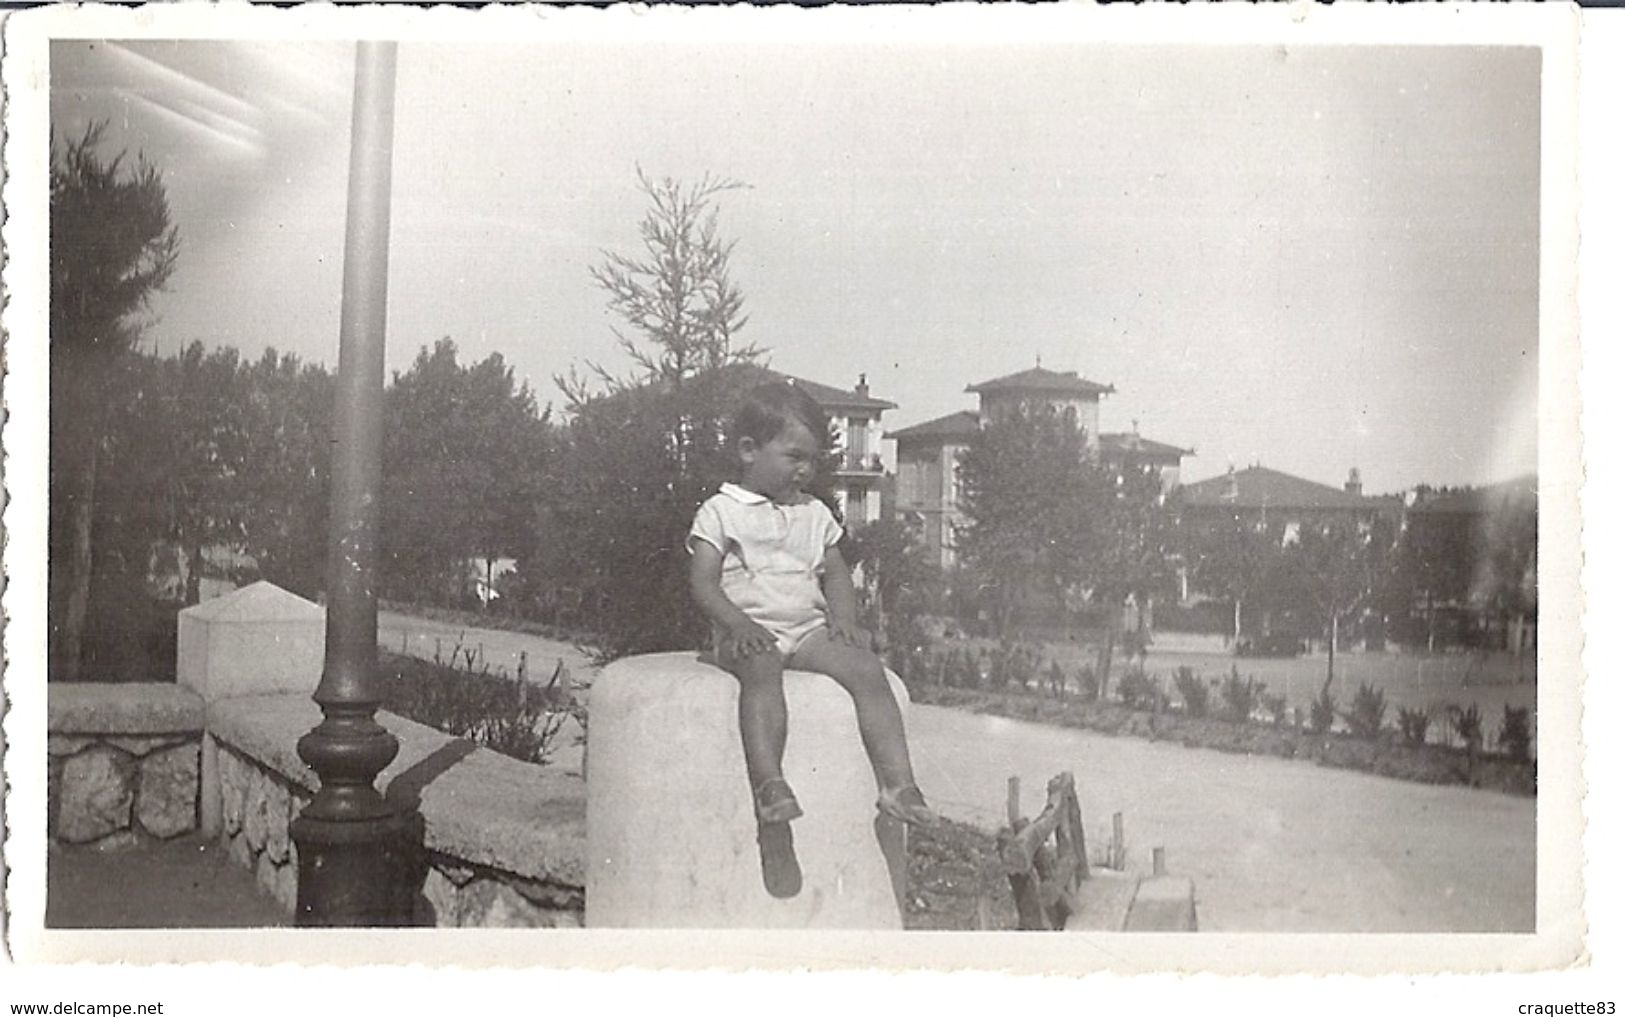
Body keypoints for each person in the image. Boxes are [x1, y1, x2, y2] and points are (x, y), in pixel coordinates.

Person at [688, 381, 939, 896]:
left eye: (813, 460)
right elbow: (703, 584)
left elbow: (836, 574)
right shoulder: (721, 511)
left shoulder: (814, 512)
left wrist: (844, 619)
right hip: (747, 632)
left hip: (804, 631)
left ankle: (898, 785)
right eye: (793, 456)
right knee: (762, 674)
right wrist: (738, 625)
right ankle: (769, 786)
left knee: (868, 671)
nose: (805, 469)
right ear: (748, 451)